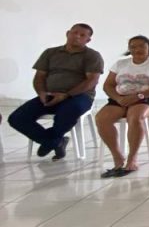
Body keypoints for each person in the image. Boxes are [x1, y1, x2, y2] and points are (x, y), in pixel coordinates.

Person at [10, 23, 104, 161]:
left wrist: (66, 95)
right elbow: (40, 76)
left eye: (82, 35)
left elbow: (92, 81)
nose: (77, 36)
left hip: (78, 96)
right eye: (74, 32)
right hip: (50, 94)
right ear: (68, 33)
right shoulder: (50, 53)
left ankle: (51, 141)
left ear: (88, 40)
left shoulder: (92, 56)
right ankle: (55, 141)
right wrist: (41, 92)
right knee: (17, 118)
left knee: (67, 112)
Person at [95, 35, 149, 177]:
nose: (137, 49)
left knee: (135, 117)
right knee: (101, 119)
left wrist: (139, 96)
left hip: (146, 99)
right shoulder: (120, 64)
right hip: (120, 99)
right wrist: (118, 98)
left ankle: (132, 158)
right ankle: (118, 156)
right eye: (133, 47)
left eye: (141, 46)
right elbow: (108, 85)